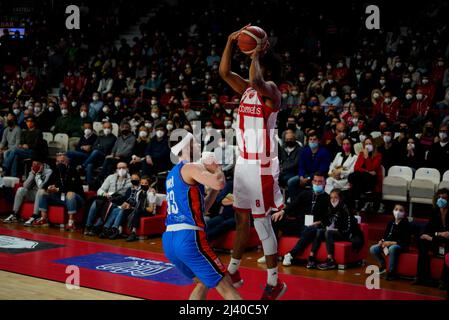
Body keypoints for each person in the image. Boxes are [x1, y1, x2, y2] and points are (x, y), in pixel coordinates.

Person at [219, 25, 286, 299]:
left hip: (262, 166)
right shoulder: (247, 90)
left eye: (255, 64)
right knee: (241, 219)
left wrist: (255, 53)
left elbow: (258, 81)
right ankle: (234, 271)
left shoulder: (271, 91)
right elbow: (224, 73)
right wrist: (229, 41)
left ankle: (274, 283)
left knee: (262, 223)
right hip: (244, 163)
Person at [162, 132, 241, 300]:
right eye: (195, 143)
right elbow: (219, 181)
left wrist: (215, 189)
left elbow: (202, 208)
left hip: (170, 239)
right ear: (186, 146)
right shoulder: (191, 167)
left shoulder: (171, 174)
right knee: (226, 285)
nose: (199, 145)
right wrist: (216, 168)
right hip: (189, 237)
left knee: (203, 281)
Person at [271, 173, 330, 267]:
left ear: (324, 183)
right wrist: (282, 212)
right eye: (315, 181)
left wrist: (319, 223)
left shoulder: (328, 198)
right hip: (299, 224)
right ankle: (271, 252)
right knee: (275, 219)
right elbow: (293, 205)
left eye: (320, 182)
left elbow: (328, 218)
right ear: (312, 182)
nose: (317, 184)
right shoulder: (305, 194)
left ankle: (290, 255)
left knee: (312, 230)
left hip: (312, 227)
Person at [315, 189, 363, 270]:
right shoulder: (330, 207)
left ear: (340, 198)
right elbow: (327, 221)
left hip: (347, 234)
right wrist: (321, 223)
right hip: (336, 232)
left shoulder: (345, 209)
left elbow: (348, 229)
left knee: (328, 232)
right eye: (331, 198)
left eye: (335, 197)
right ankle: (312, 258)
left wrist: (337, 230)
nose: (333, 200)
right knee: (319, 231)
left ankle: (330, 260)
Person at [34, 153, 84, 231]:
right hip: (61, 197)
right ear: (56, 163)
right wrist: (49, 188)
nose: (60, 163)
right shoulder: (56, 171)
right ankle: (44, 218)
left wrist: (57, 189)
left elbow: (72, 188)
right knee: (41, 192)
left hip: (76, 199)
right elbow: (45, 185)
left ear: (67, 162)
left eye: (62, 161)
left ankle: (71, 222)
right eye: (58, 162)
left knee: (70, 193)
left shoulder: (73, 171)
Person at [413, 188, 449, 289]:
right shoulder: (435, 211)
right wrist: (435, 235)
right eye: (440, 197)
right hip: (438, 237)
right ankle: (422, 277)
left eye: (444, 198)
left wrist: (434, 236)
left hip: (447, 239)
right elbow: (430, 229)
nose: (441, 200)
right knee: (422, 241)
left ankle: (444, 280)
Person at [84, 162, 132, 235]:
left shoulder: (131, 180)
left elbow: (139, 186)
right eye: (119, 168)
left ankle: (96, 227)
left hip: (119, 200)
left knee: (109, 206)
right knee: (96, 202)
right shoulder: (111, 177)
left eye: (123, 167)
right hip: (107, 198)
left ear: (127, 169)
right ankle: (88, 226)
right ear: (116, 169)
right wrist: (104, 194)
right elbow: (100, 190)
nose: (121, 169)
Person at [2, 156, 52, 224]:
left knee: (39, 191)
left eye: (37, 164)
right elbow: (25, 186)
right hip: (33, 194)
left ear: (42, 165)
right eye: (33, 164)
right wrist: (32, 174)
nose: (35, 166)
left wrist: (38, 174)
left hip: (43, 194)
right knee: (21, 189)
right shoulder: (32, 172)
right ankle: (14, 214)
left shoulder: (48, 172)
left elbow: (41, 187)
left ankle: (35, 216)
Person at [369, 204, 411, 281]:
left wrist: (390, 243)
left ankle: (391, 272)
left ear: (405, 213)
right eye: (396, 209)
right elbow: (385, 236)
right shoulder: (391, 222)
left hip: (400, 245)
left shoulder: (406, 224)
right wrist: (382, 241)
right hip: (388, 244)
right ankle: (383, 266)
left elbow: (405, 240)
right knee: (373, 249)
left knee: (392, 248)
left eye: (401, 210)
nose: (398, 212)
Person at [288, 130, 331, 198]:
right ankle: (294, 202)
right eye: (310, 139)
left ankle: (310, 203)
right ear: (308, 141)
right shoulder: (304, 151)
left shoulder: (324, 152)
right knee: (291, 182)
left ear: (319, 141)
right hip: (305, 175)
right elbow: (301, 166)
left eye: (314, 139)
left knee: (314, 185)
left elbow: (322, 170)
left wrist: (308, 178)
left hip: (318, 176)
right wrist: (301, 177)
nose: (312, 141)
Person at [348, 136, 383, 211]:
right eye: (366, 144)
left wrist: (367, 157)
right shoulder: (361, 153)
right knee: (353, 176)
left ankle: (357, 203)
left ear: (373, 145)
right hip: (362, 178)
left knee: (360, 178)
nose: (368, 145)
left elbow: (372, 168)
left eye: (369, 143)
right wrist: (367, 171)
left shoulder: (378, 155)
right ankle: (358, 203)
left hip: (372, 179)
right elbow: (356, 167)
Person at [125, 176, 157, 242]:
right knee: (126, 211)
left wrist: (141, 207)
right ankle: (120, 230)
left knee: (137, 212)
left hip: (149, 212)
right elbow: (137, 203)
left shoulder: (151, 194)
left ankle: (133, 232)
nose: (143, 185)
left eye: (145, 183)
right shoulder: (139, 192)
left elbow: (151, 209)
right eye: (142, 183)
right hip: (140, 209)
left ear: (149, 184)